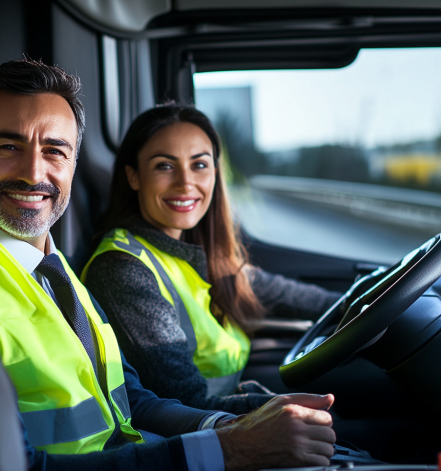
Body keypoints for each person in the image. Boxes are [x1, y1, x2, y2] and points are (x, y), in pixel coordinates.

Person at [0, 58, 338, 471]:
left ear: (73, 164)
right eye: (9, 147)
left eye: (55, 151)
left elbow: (130, 398)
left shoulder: (51, 265)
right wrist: (229, 449)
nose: (33, 173)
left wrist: (234, 425)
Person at [82, 104, 342, 414]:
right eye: (165, 166)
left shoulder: (193, 250)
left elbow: (278, 290)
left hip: (233, 410)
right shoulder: (123, 271)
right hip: (208, 434)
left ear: (215, 174)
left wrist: (354, 304)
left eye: (200, 165)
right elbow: (188, 404)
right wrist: (286, 408)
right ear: (134, 177)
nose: (185, 182)